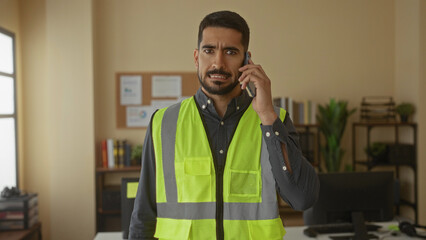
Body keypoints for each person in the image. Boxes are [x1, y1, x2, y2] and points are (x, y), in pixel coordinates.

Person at [129, 10, 319, 240]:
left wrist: (267, 116)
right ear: (197, 58)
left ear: (246, 60)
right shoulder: (163, 123)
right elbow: (143, 217)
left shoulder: (274, 120)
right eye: (209, 50)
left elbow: (302, 198)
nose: (218, 63)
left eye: (230, 52)